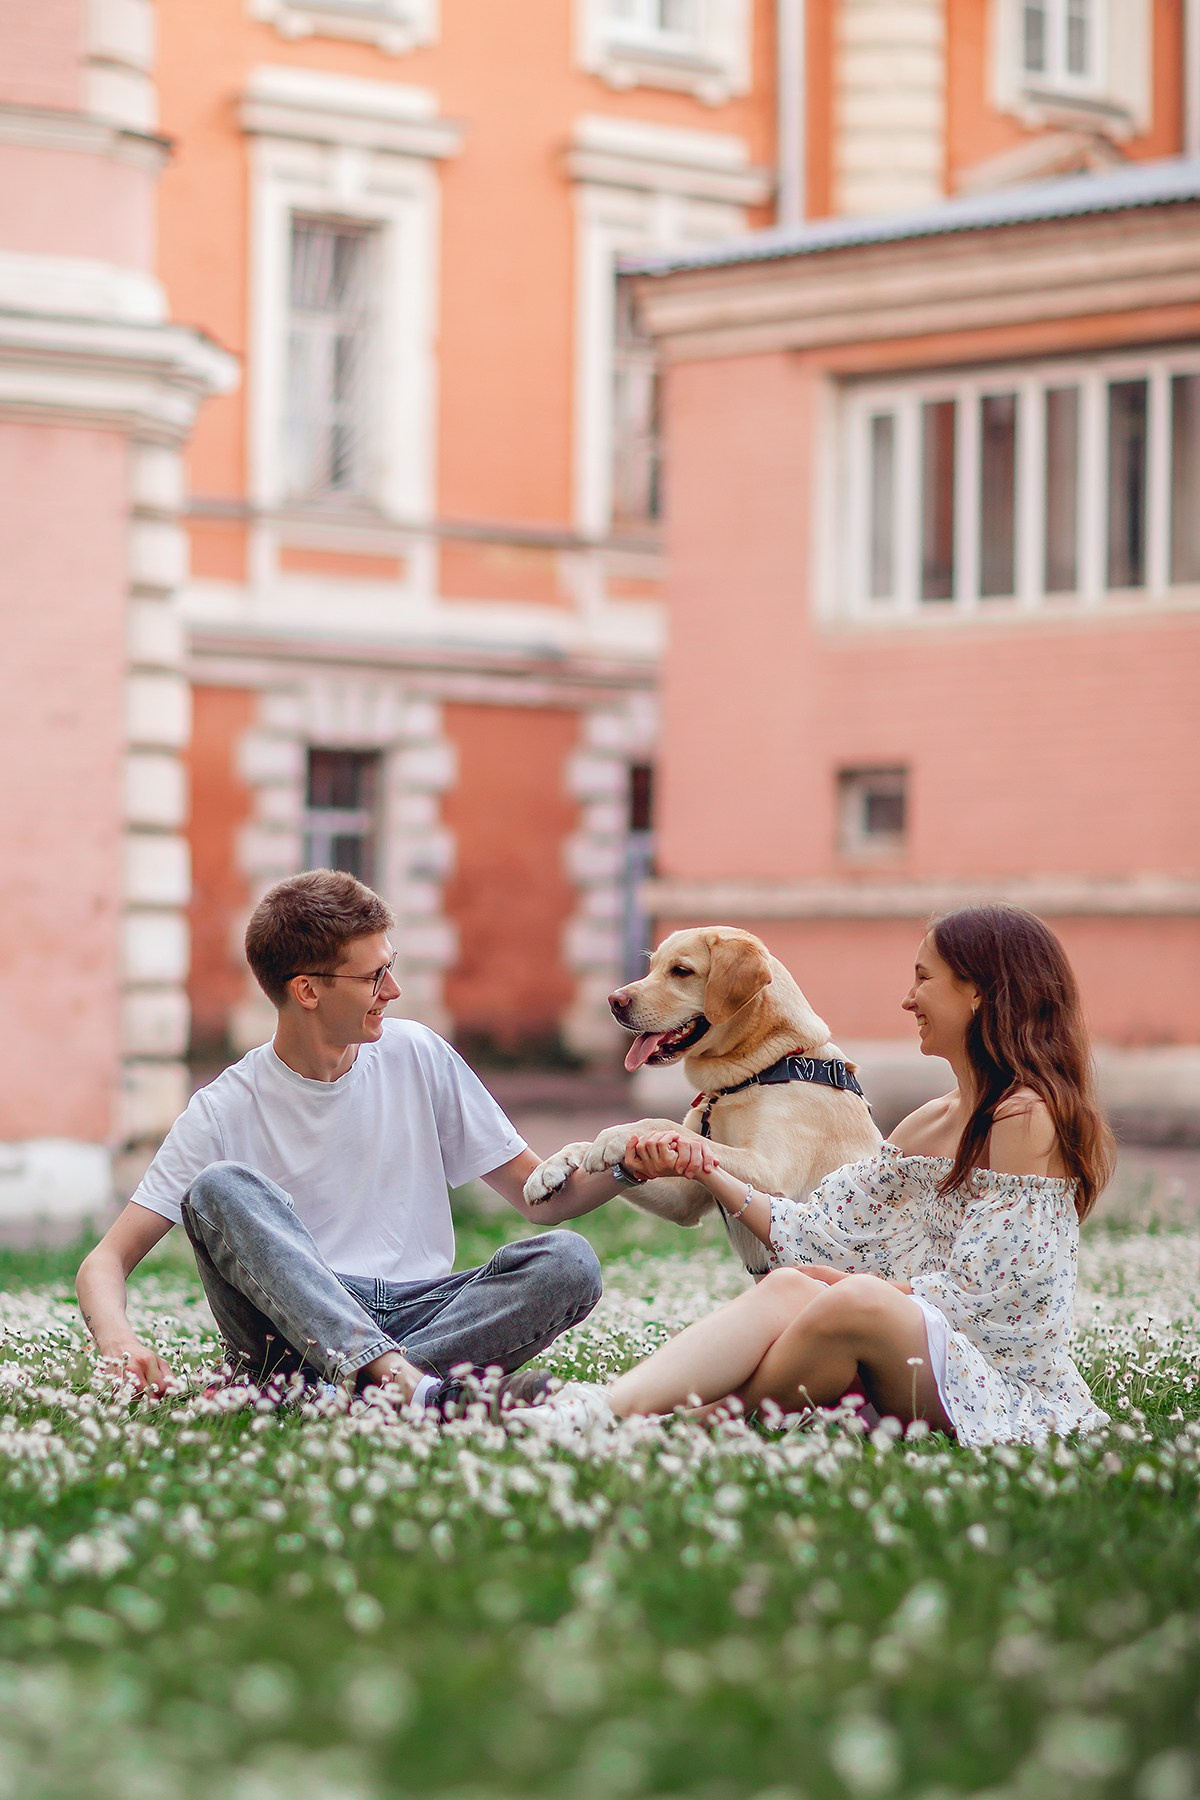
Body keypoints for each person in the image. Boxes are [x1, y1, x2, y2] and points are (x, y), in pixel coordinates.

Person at [76, 870, 623, 1415]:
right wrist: (118, 1341)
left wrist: (627, 1165)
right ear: (308, 990)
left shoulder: (418, 1054)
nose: (393, 990)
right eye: (374, 976)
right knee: (220, 1187)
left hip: (420, 1310)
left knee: (568, 1261)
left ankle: (351, 1392)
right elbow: (104, 1262)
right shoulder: (222, 1108)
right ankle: (398, 1385)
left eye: (391, 967)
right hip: (287, 1333)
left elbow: (541, 1199)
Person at [588, 905, 1114, 1446]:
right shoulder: (930, 1122)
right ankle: (604, 1410)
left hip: (995, 1380)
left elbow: (989, 1297)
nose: (908, 1000)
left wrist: (843, 1286)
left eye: (923, 979)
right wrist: (707, 1168)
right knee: (797, 1281)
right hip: (909, 1352)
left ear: (978, 991)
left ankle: (675, 1423)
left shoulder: (1025, 1118)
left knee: (850, 1299)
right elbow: (823, 1234)